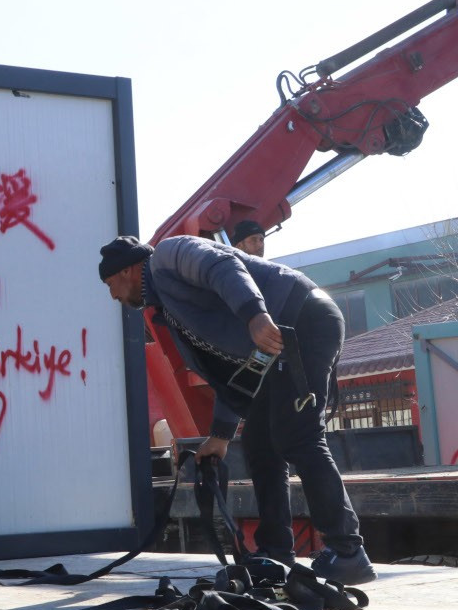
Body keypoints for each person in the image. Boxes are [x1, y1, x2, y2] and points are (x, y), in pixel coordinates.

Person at [98, 234, 376, 585]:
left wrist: (255, 315)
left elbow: (223, 265)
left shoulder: (168, 254)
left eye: (110, 284)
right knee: (260, 443)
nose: (113, 296)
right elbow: (231, 375)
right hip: (271, 347)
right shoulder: (169, 306)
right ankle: (276, 552)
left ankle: (348, 552)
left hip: (299, 320)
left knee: (298, 436)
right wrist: (221, 435)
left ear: (127, 270)